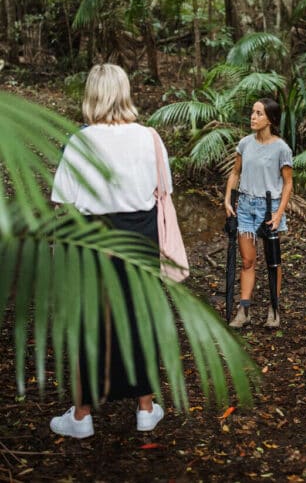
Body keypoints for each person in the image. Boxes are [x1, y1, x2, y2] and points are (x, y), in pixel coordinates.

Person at [49, 63, 168, 439]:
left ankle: (82, 416)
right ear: (125, 92)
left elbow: (62, 201)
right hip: (140, 235)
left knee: (90, 320)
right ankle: (145, 408)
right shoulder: (149, 137)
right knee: (139, 316)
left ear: (92, 95)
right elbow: (161, 191)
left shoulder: (80, 141)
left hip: (92, 237)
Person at [224, 98, 293, 329]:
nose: (253, 117)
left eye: (259, 113)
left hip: (269, 207)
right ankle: (244, 310)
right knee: (247, 261)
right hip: (244, 206)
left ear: (271, 119)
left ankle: (274, 308)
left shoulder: (282, 148)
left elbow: (288, 184)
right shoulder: (245, 143)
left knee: (273, 262)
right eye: (252, 112)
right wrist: (227, 199)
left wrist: (278, 212)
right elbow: (235, 173)